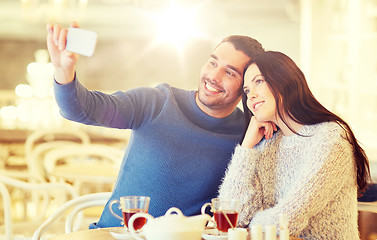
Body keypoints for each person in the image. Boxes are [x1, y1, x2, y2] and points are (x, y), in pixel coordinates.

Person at [45, 23, 265, 228]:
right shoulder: (157, 102)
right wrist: (64, 70)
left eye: (229, 72)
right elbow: (83, 109)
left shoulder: (247, 136)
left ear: (245, 87)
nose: (213, 76)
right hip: (117, 234)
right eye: (213, 62)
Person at [218, 51, 371, 239]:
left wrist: (249, 226)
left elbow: (287, 219)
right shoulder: (267, 143)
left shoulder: (330, 137)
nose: (251, 96)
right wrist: (246, 147)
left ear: (284, 81)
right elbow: (230, 217)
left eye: (259, 81)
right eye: (247, 90)